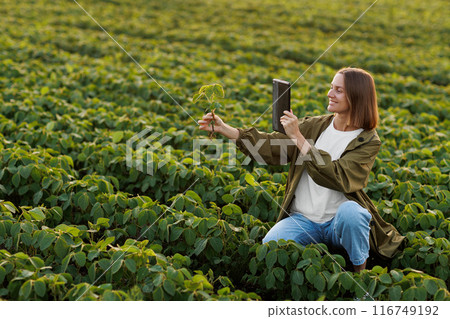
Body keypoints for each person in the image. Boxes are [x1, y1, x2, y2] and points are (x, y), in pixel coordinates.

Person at [198, 67, 404, 272]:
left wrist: (298, 138)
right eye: (331, 87)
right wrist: (226, 129)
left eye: (338, 90)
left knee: (353, 214)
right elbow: (271, 146)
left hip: (337, 222)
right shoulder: (315, 126)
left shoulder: (367, 140)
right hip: (303, 220)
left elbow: (338, 176)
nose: (330, 94)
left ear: (357, 96)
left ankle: (360, 276)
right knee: (271, 245)